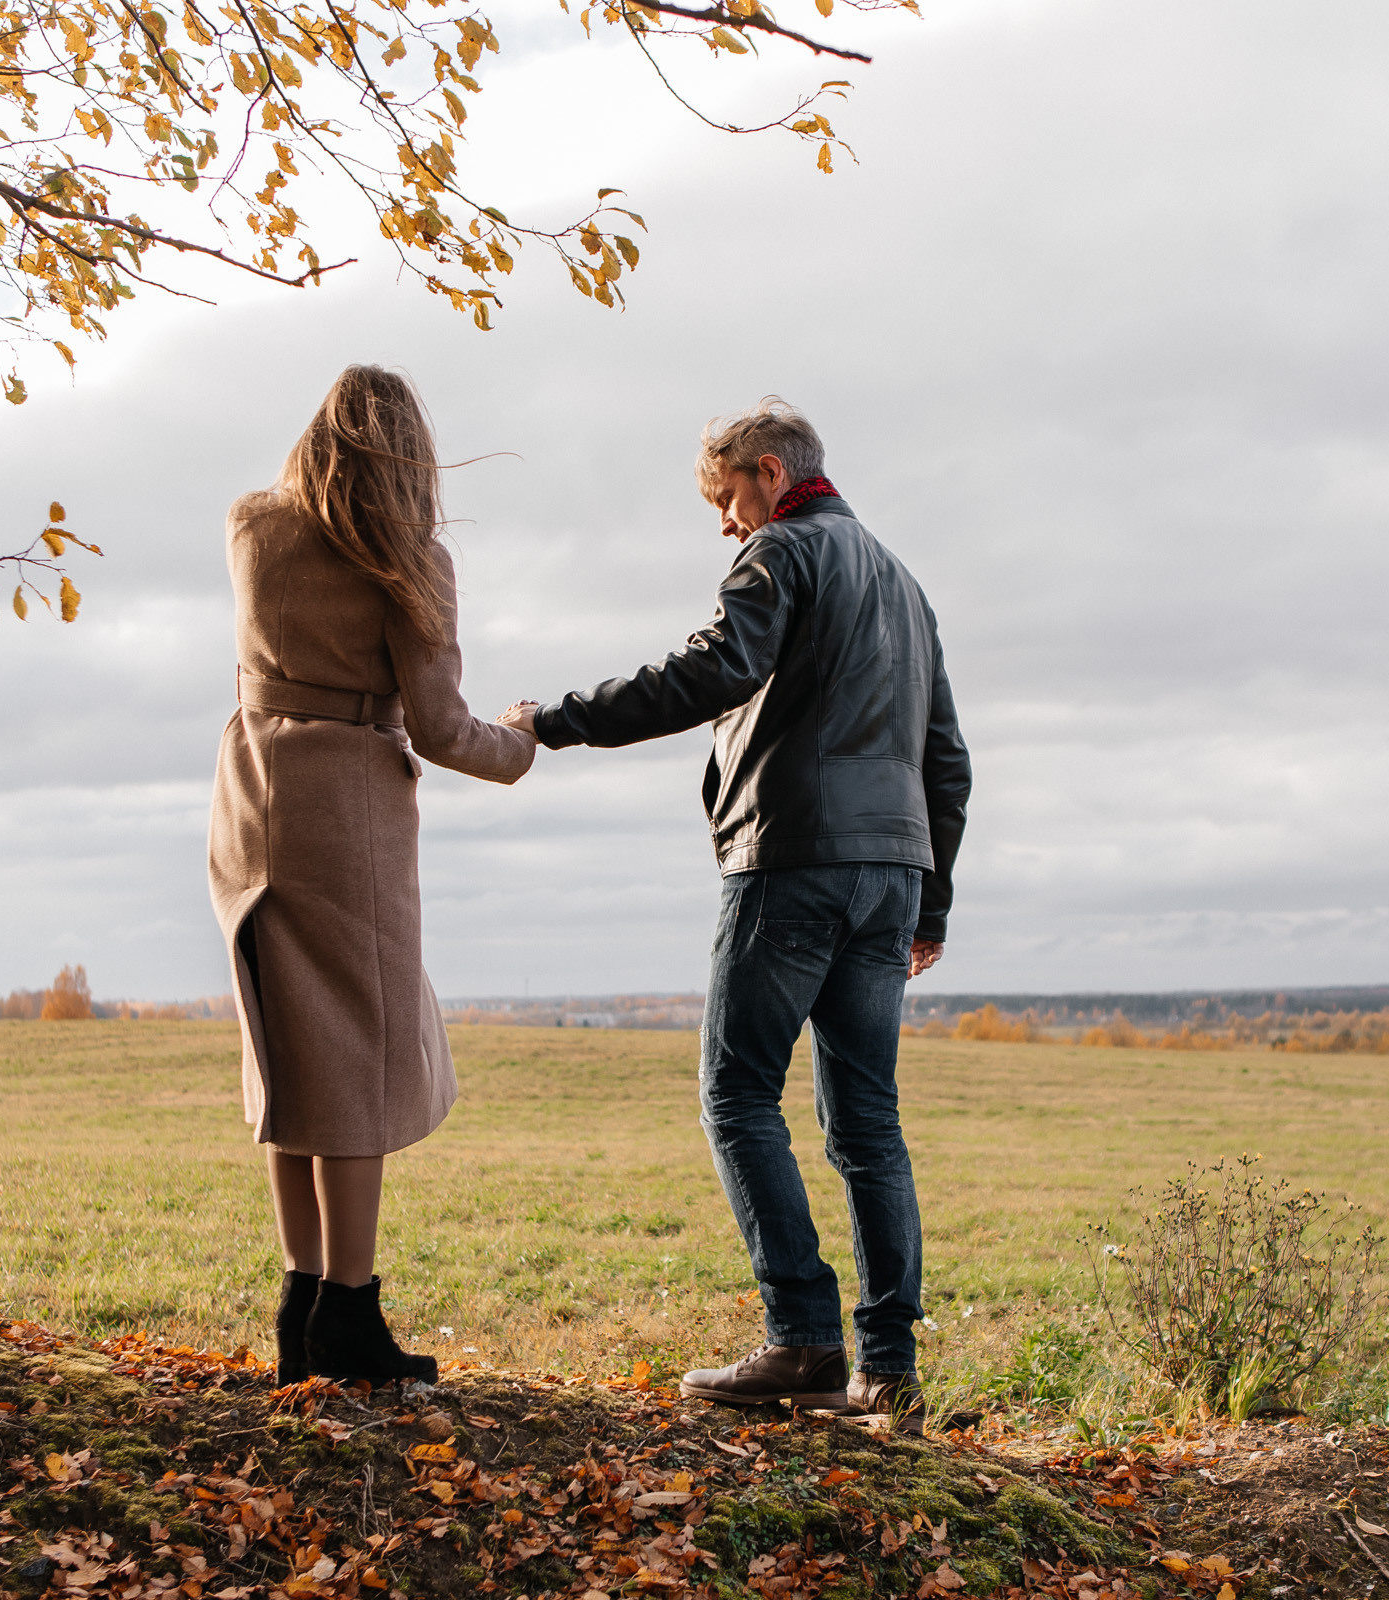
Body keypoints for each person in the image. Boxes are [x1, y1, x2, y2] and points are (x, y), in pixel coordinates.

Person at [500, 397, 970, 1433]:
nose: (723, 522)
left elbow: (713, 668)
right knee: (868, 1122)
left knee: (735, 1093)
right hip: (890, 875)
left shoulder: (780, 557)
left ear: (766, 472)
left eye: (724, 499)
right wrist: (928, 899)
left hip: (793, 860)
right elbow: (948, 756)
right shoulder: (905, 584)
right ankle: (886, 1370)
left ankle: (802, 1339)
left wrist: (558, 722)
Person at [209, 365, 536, 1389]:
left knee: (288, 1054)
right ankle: (348, 1314)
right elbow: (441, 727)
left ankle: (301, 1302)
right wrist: (520, 743)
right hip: (345, 810)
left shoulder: (251, 530)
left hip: (251, 796)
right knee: (355, 1058)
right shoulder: (403, 559)